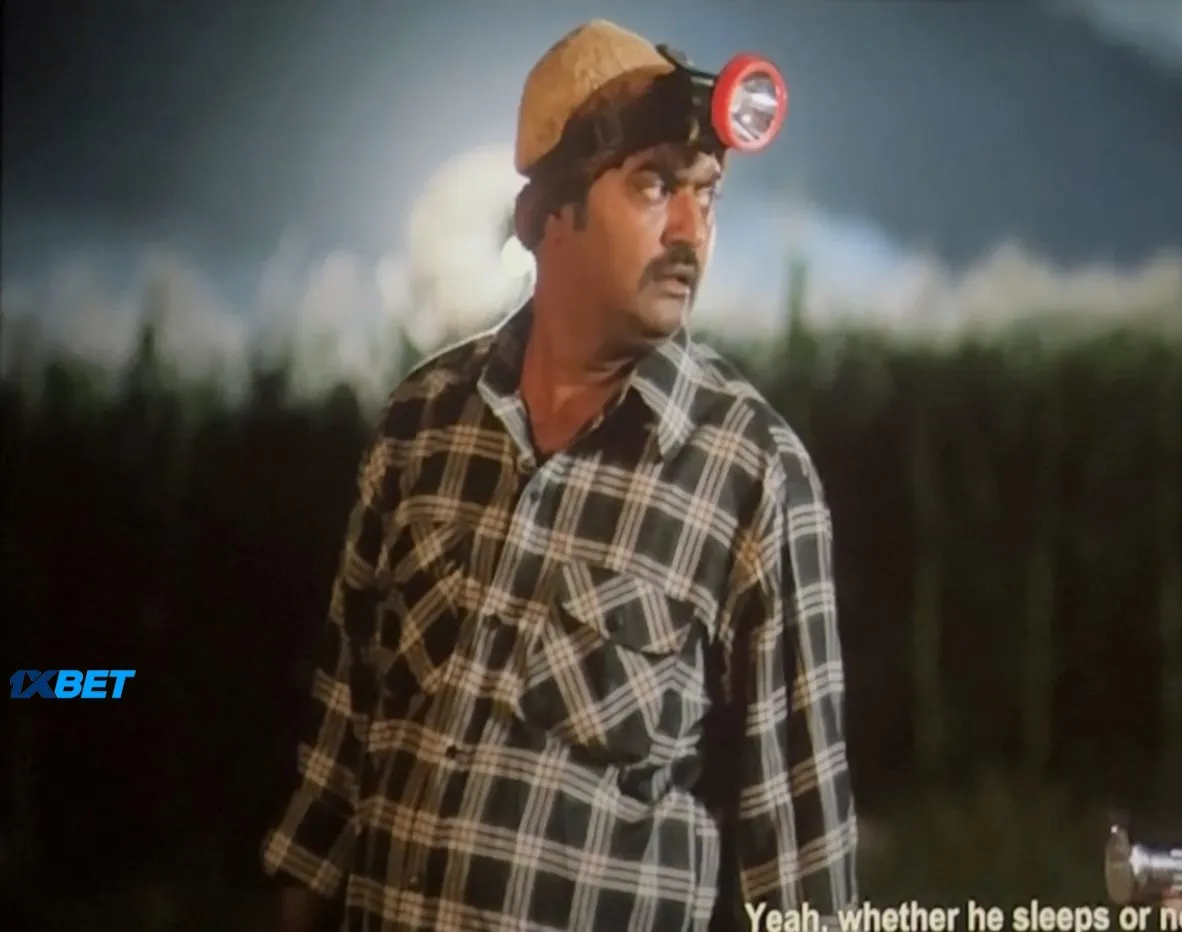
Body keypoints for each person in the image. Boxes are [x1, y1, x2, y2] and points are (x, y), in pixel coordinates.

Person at [261, 19, 858, 932]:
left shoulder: (753, 475)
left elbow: (805, 871)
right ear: (545, 218)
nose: (691, 231)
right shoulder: (423, 423)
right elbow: (335, 771)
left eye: (707, 192)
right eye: (654, 185)